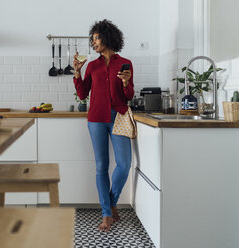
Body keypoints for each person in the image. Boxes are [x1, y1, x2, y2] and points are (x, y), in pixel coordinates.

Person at [73, 19, 134, 232]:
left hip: (118, 117)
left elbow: (129, 95)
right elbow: (82, 94)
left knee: (124, 164)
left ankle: (111, 201)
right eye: (93, 39)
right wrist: (77, 73)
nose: (94, 42)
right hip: (97, 119)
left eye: (96, 38)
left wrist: (126, 83)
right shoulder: (92, 65)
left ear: (108, 37)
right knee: (101, 166)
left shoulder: (124, 63)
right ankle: (106, 213)